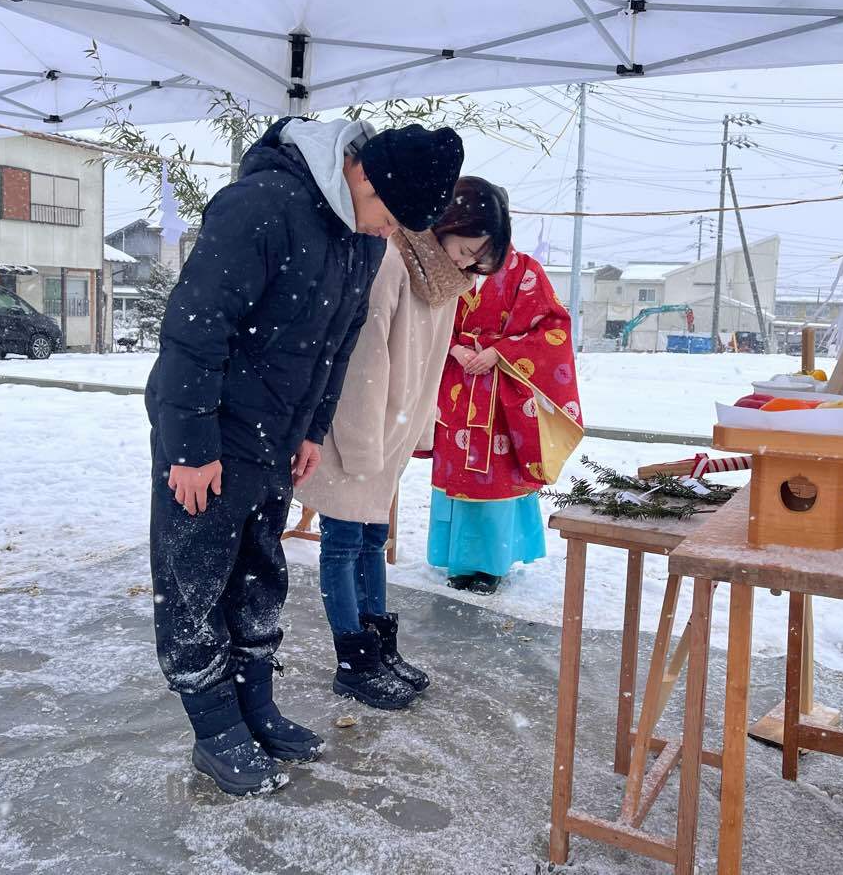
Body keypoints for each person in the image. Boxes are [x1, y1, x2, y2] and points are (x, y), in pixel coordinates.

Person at [146, 117, 463, 797]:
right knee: (196, 582)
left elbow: (337, 346)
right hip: (213, 434)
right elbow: (194, 330)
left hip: (277, 437)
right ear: (362, 175)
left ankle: (254, 705)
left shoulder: (360, 239)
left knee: (259, 574)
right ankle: (213, 727)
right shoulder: (262, 205)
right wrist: (191, 447)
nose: (387, 234)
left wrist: (313, 428)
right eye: (389, 216)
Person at [295, 177, 511, 710]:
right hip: (353, 431)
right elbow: (364, 362)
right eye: (465, 252)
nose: (468, 268)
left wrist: (415, 431)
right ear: (443, 227)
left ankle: (378, 647)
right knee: (342, 542)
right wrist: (365, 444)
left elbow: (430, 366)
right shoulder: (392, 261)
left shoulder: (439, 279)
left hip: (386, 432)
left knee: (372, 541)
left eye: (478, 263)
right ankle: (353, 660)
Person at [427, 241, 584, 595]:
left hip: (504, 392)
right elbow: (430, 315)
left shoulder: (526, 271)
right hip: (457, 384)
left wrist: (501, 351)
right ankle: (456, 559)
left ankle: (491, 565)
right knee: (457, 474)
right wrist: (454, 347)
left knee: (496, 479)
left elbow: (552, 328)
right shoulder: (452, 266)